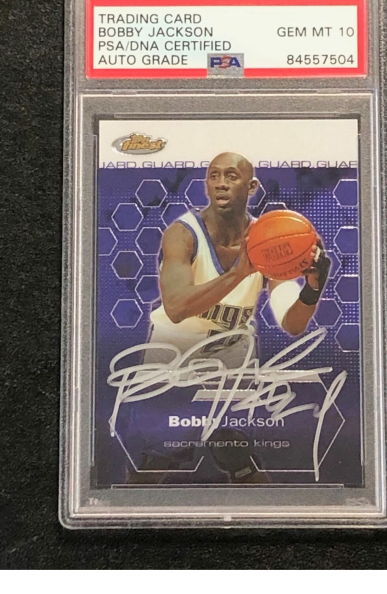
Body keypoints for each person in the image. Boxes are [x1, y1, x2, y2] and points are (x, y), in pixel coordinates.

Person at [123, 152, 331, 484]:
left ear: (252, 186)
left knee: (237, 455)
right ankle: (124, 513)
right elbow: (176, 308)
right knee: (159, 457)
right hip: (175, 351)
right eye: (214, 176)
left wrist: (312, 289)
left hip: (231, 353)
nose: (221, 183)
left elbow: (292, 323)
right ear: (207, 184)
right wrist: (238, 273)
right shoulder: (182, 234)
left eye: (231, 176)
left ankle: (272, 516)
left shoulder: (269, 237)